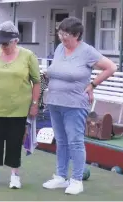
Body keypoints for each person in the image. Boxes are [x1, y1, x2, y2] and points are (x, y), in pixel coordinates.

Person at [42, 17, 117, 195]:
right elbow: (55, 71)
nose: (62, 38)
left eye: (66, 35)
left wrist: (92, 85)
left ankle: (76, 180)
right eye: (60, 34)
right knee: (60, 141)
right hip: (54, 101)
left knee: (75, 141)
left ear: (77, 35)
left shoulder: (87, 51)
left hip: (75, 104)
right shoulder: (60, 48)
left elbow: (111, 67)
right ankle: (61, 177)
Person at [0, 21, 41, 189]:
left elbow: (36, 82)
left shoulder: (28, 56)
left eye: (6, 43)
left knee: (14, 142)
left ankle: (15, 175)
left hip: (19, 108)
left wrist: (35, 104)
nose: (2, 46)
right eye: (0, 43)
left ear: (15, 41)